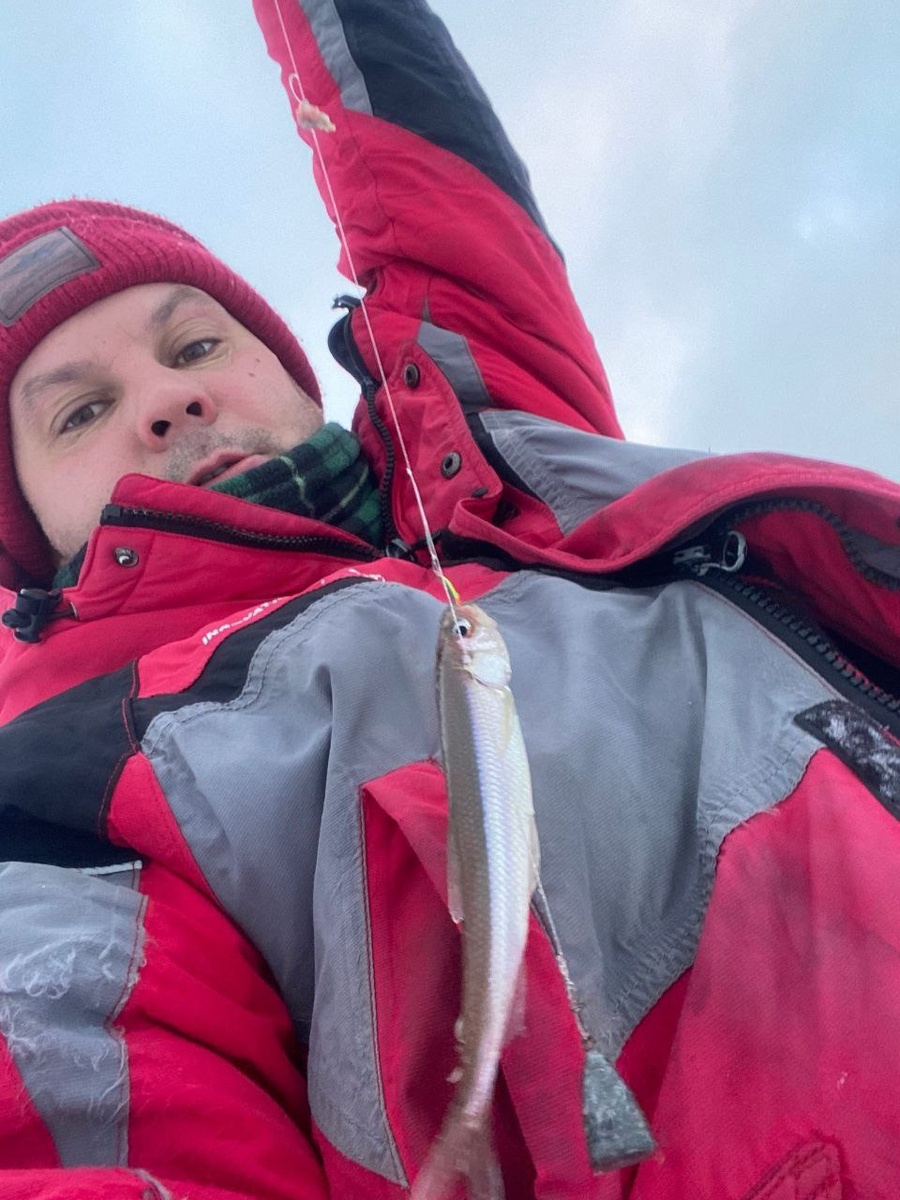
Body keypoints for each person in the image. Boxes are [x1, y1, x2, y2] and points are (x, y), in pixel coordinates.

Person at [0, 1, 899, 1197]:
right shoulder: (60, 800)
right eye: (80, 411)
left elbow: (418, 158)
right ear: (26, 535)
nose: (167, 402)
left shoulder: (502, 464)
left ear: (284, 365)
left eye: (195, 346)